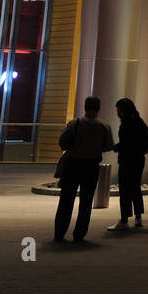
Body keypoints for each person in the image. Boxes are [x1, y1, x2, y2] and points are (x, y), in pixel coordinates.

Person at [53, 96, 115, 244]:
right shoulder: (104, 126)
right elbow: (108, 146)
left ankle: (59, 233)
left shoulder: (75, 123)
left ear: (85, 106)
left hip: (73, 164)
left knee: (66, 200)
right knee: (86, 202)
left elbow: (62, 142)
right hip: (91, 166)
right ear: (98, 108)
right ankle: (79, 234)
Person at [108, 98, 148, 232]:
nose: (118, 113)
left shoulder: (127, 124)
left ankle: (124, 220)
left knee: (125, 190)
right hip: (139, 159)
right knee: (135, 188)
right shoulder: (139, 121)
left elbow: (127, 143)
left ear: (124, 110)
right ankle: (138, 218)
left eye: (119, 110)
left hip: (127, 160)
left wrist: (118, 147)